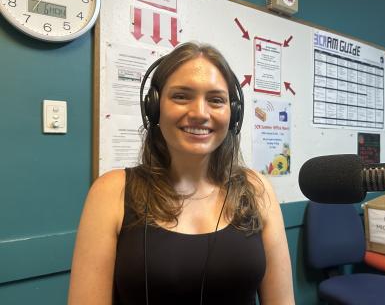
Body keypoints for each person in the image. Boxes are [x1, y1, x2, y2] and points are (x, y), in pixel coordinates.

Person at [68, 42, 295, 305]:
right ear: (154, 108)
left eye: (216, 100)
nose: (199, 113)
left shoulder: (256, 189)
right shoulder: (111, 192)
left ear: (234, 115)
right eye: (181, 96)